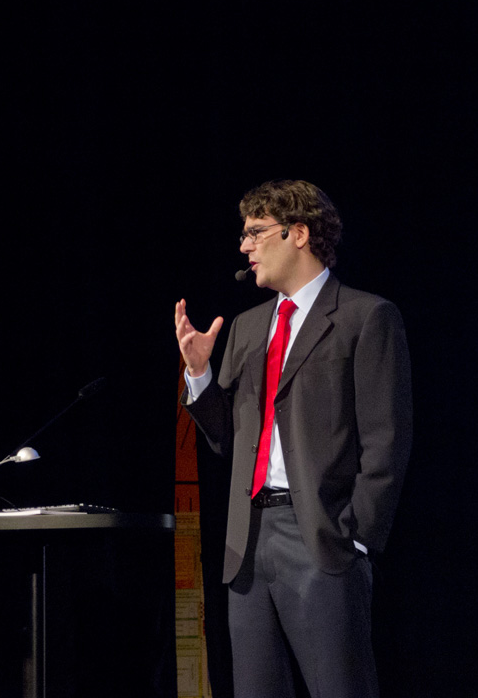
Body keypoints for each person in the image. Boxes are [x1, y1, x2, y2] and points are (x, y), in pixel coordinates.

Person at [174, 178, 412, 698]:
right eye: (244, 235)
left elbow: (386, 441)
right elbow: (227, 440)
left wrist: (355, 536)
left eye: (255, 232)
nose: (245, 247)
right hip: (247, 543)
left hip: (321, 537)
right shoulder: (247, 327)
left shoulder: (365, 317)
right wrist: (200, 376)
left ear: (297, 234)